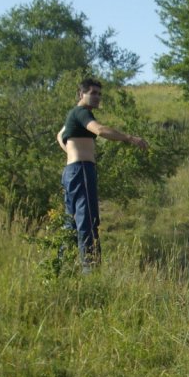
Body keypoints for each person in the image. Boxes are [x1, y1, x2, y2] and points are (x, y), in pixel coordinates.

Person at [57, 78, 149, 270]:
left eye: (99, 94)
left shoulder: (73, 114)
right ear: (81, 94)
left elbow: (60, 135)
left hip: (71, 171)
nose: (97, 97)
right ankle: (90, 270)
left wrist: (71, 154)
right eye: (93, 93)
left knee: (70, 222)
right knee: (87, 220)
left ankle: (62, 267)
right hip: (82, 170)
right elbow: (99, 130)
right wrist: (129, 138)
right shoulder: (82, 112)